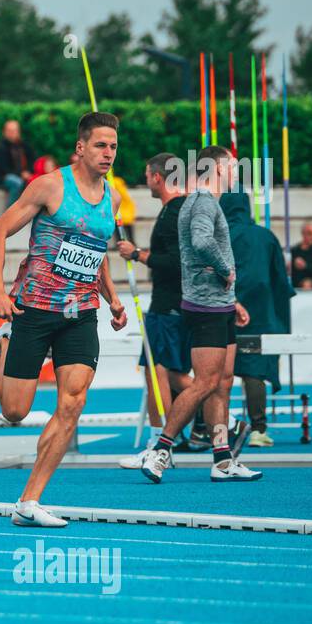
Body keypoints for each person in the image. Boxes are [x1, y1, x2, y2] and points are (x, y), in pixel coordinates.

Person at [0, 112, 127, 527]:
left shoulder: (112, 199)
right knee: (14, 411)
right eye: (100, 145)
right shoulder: (49, 186)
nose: (108, 153)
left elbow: (95, 255)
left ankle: (29, 501)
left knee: (73, 403)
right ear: (80, 147)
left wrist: (112, 300)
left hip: (80, 313)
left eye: (113, 146)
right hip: (35, 309)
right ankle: (4, 341)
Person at [141, 145, 260, 485]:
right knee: (205, 383)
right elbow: (203, 241)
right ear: (218, 168)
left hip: (219, 304)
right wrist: (227, 272)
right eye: (234, 166)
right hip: (206, 307)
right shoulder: (204, 201)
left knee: (222, 384)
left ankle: (223, 461)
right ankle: (161, 449)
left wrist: (232, 298)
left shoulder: (203, 201)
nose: (238, 172)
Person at [115, 153, 200, 467]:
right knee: (170, 373)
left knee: (156, 372)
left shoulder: (173, 213)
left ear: (156, 177)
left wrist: (138, 254)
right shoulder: (181, 210)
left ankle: (159, 444)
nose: (144, 180)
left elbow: (179, 262)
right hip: (175, 304)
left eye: (146, 175)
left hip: (168, 306)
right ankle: (164, 444)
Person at [221, 188, 295, 449]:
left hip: (222, 310)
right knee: (254, 371)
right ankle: (258, 429)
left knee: (215, 373)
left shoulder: (221, 234)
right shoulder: (266, 236)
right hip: (261, 314)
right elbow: (281, 282)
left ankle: (212, 429)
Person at [0, 119, 36, 208]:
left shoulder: (24, 145)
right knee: (16, 182)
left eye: (14, 130)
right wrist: (21, 174)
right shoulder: (1, 147)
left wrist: (28, 172)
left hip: (23, 175)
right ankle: (10, 212)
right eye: (9, 131)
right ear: (4, 132)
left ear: (19, 132)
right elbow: (2, 168)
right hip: (2, 177)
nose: (12, 133)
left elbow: (32, 161)